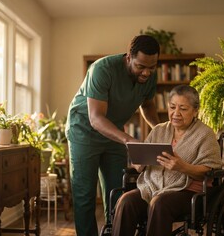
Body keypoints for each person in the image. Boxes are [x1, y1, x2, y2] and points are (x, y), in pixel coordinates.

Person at [65, 35, 161, 236]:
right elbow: (96, 118)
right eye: (141, 66)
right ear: (128, 57)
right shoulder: (103, 69)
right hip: (84, 130)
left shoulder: (150, 74)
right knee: (85, 194)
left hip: (114, 131)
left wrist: (161, 129)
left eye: (152, 67)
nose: (147, 72)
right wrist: (129, 140)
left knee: (116, 191)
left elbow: (148, 105)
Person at [111, 85, 223, 236]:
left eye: (183, 108)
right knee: (126, 201)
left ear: (195, 111)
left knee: (159, 203)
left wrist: (182, 167)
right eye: (172, 107)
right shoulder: (159, 130)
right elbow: (139, 166)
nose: (176, 113)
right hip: (153, 187)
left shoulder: (205, 134)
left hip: (188, 192)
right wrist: (139, 163)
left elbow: (210, 171)